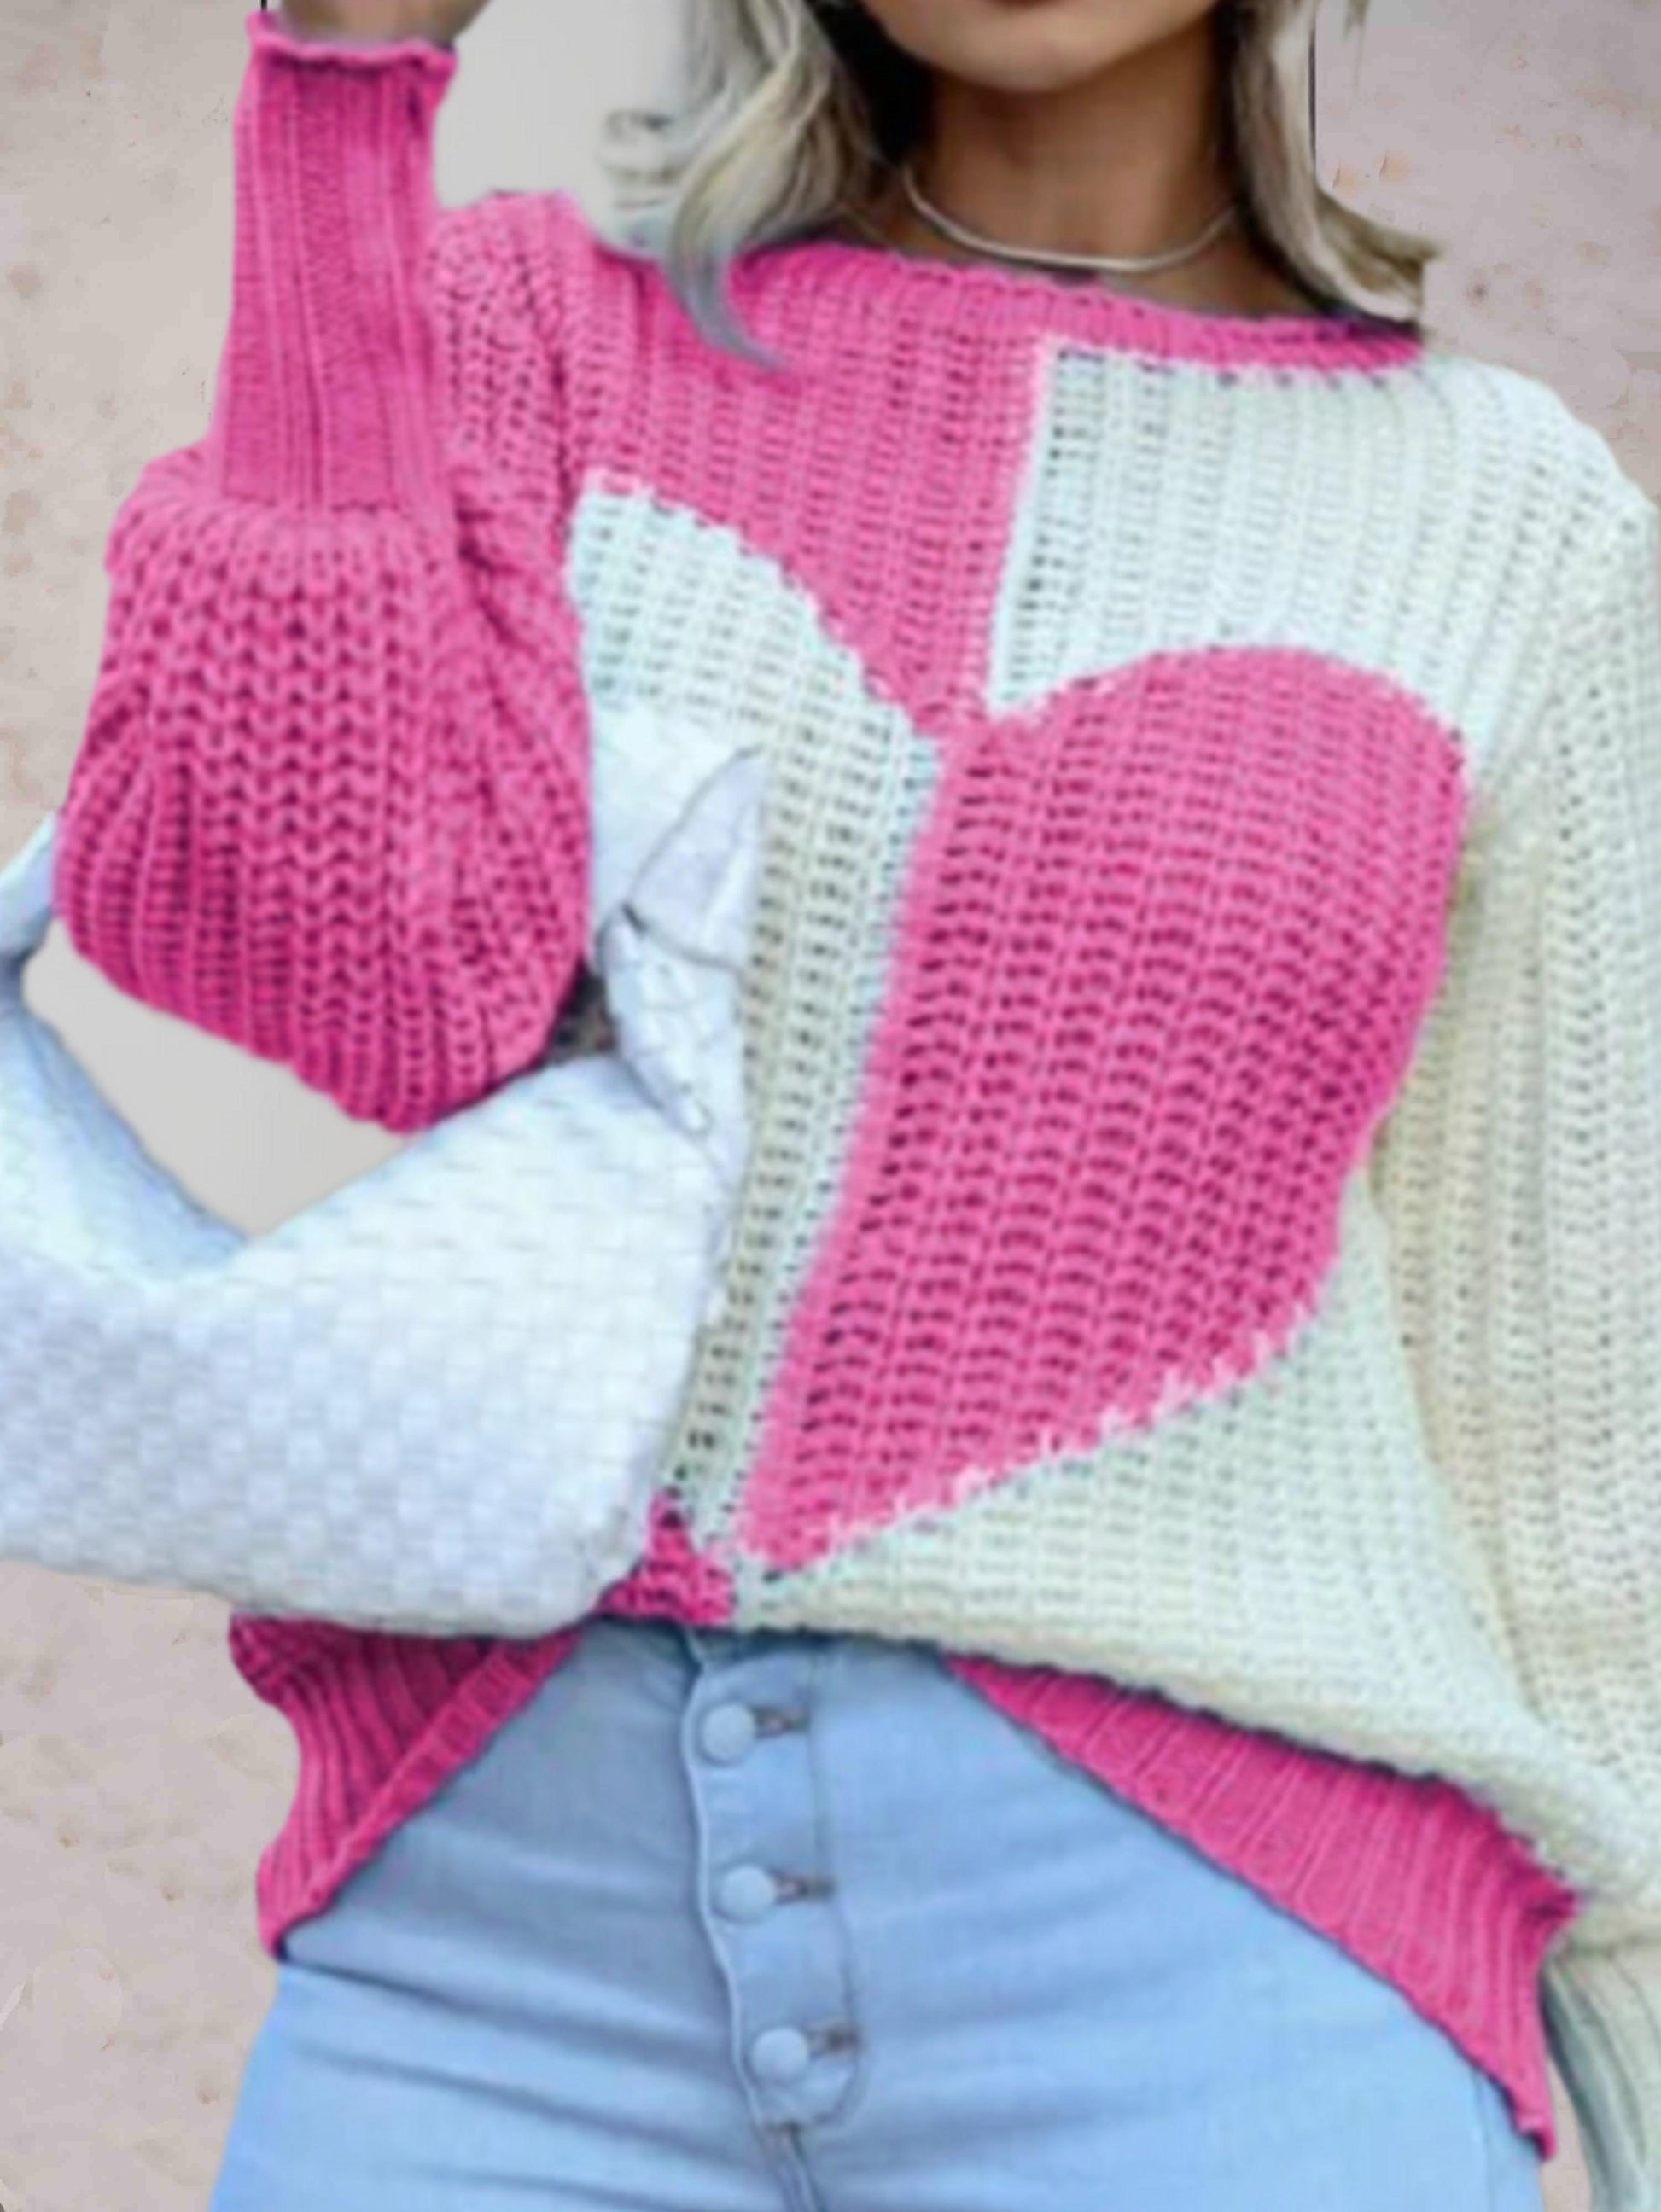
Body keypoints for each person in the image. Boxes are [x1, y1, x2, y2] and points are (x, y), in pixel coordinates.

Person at [49, 1, 1661, 2206]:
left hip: (1229, 2009)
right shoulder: (538, 334)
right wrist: (337, 99)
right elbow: (316, 972)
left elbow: (1575, 1442)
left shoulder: (1509, 524)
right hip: (495, 1989)